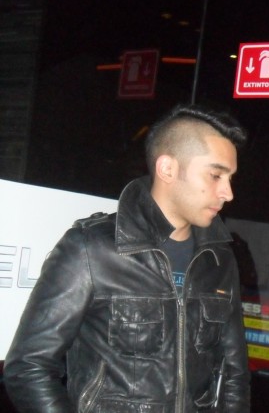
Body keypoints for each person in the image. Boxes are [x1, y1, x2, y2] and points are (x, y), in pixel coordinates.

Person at [4, 104, 251, 412]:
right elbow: (28, 367)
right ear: (167, 169)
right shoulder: (92, 249)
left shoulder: (218, 259)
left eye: (230, 178)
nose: (227, 192)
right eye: (215, 175)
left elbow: (234, 374)